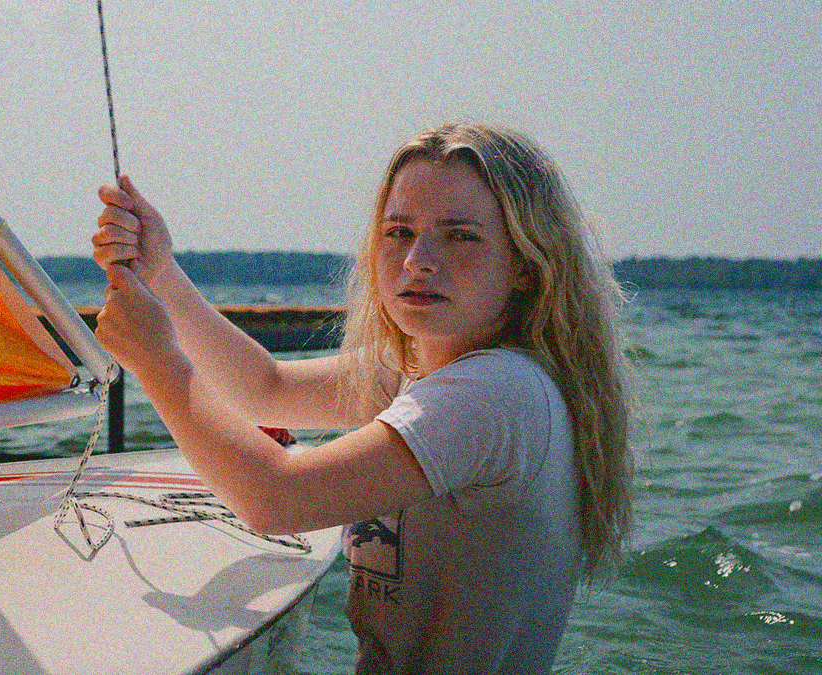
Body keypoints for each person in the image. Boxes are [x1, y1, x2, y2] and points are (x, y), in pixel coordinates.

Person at [90, 122, 632, 674]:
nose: (418, 259)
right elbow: (265, 390)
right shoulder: (427, 368)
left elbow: (274, 498)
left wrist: (155, 362)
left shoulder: (494, 394)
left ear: (525, 264)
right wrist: (161, 271)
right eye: (399, 231)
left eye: (461, 235)